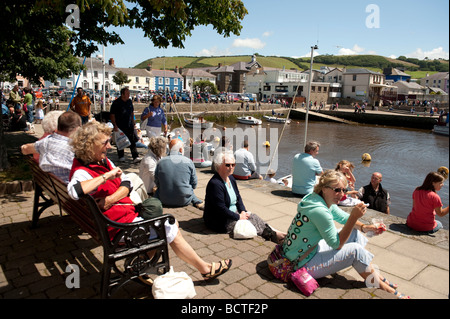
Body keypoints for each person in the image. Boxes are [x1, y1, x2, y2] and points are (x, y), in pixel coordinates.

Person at [67, 122, 232, 282]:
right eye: (105, 143)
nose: (109, 147)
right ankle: (204, 269)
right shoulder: (83, 172)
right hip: (118, 230)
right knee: (169, 225)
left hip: (118, 222)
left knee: (165, 226)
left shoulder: (102, 162)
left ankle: (139, 266)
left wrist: (110, 199)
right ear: (90, 145)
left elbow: (127, 183)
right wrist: (106, 177)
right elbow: (74, 191)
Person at [282, 170, 410, 299]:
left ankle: (375, 276)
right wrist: (354, 217)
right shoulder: (320, 210)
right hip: (301, 263)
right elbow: (337, 244)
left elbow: (343, 218)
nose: (342, 195)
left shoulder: (317, 198)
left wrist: (365, 228)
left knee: (355, 234)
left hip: (303, 250)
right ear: (324, 188)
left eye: (344, 190)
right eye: (337, 190)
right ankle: (380, 285)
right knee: (355, 251)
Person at [203, 150, 286, 243]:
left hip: (233, 213)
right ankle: (274, 236)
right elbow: (220, 208)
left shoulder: (231, 178)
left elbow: (238, 197)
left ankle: (274, 232)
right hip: (220, 220)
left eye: (233, 165)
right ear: (219, 165)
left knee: (253, 216)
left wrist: (243, 211)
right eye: (227, 165)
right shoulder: (215, 184)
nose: (231, 167)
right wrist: (238, 216)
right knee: (249, 224)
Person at [21, 111, 82, 183]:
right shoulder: (74, 148)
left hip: (54, 187)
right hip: (70, 188)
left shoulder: (45, 142)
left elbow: (24, 148)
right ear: (77, 129)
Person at [154, 139, 204, 209]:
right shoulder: (188, 161)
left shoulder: (160, 162)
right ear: (181, 150)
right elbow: (194, 184)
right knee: (188, 189)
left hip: (164, 199)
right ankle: (196, 201)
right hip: (184, 200)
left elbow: (157, 181)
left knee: (158, 190)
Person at [109, 87, 141, 163]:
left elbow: (132, 112)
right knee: (120, 141)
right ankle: (121, 156)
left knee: (132, 141)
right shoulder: (116, 103)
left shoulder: (129, 101)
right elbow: (112, 115)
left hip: (129, 124)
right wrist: (114, 125)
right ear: (122, 94)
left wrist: (133, 122)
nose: (129, 95)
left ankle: (135, 156)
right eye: (127, 93)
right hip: (120, 125)